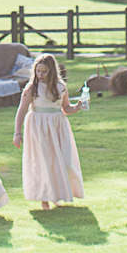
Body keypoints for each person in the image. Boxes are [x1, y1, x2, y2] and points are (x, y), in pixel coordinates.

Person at [12, 53, 84, 210]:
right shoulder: (32, 88)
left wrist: (77, 107)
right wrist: (17, 133)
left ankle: (57, 195)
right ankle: (43, 198)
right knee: (43, 161)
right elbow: (22, 111)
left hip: (57, 126)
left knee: (60, 159)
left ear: (52, 71)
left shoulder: (60, 87)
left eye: (44, 72)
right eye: (38, 71)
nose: (40, 75)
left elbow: (65, 109)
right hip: (38, 127)